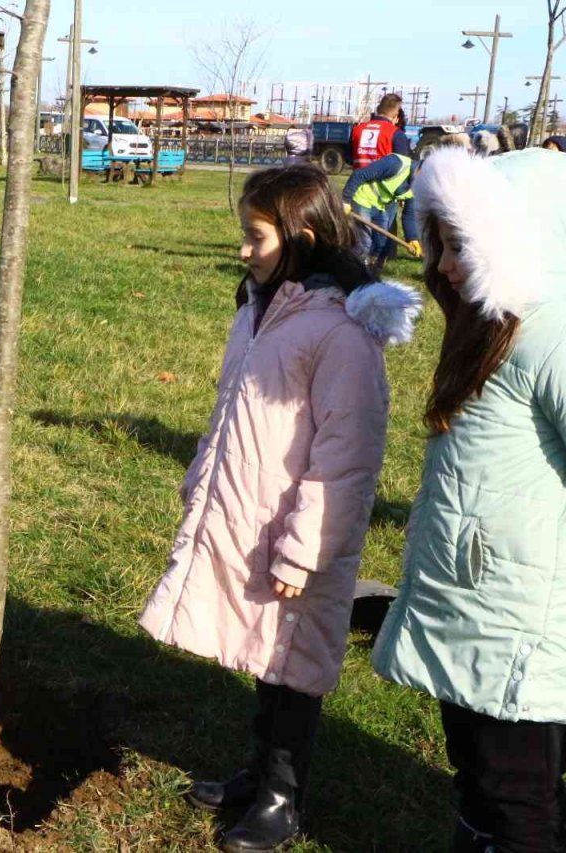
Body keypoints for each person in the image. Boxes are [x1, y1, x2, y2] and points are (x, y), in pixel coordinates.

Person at [138, 165, 421, 852]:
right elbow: (231, 409)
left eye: (255, 237)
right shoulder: (261, 310)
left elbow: (347, 457)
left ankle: (282, 797)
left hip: (302, 535)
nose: (243, 250)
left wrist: (305, 548)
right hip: (251, 513)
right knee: (267, 655)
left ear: (304, 237)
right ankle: (256, 770)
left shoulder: (340, 335)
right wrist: (203, 477)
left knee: (295, 663)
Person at [372, 147, 566, 853]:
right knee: (480, 775)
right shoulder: (492, 326)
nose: (446, 264)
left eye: (463, 246)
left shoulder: (552, 337)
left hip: (522, 623)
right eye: (442, 244)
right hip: (475, 602)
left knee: (519, 796)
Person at [341, 151, 421, 274]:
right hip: (363, 199)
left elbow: (409, 214)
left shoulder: (418, 185)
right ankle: (351, 272)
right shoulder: (396, 163)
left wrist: (412, 238)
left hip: (381, 206)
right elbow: (360, 174)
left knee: (381, 244)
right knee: (365, 243)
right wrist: (346, 200)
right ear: (420, 168)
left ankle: (369, 272)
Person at [351, 93, 412, 169]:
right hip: (385, 176)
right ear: (396, 113)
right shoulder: (395, 133)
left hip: (358, 176)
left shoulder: (357, 130)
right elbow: (404, 165)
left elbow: (349, 158)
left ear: (378, 109)